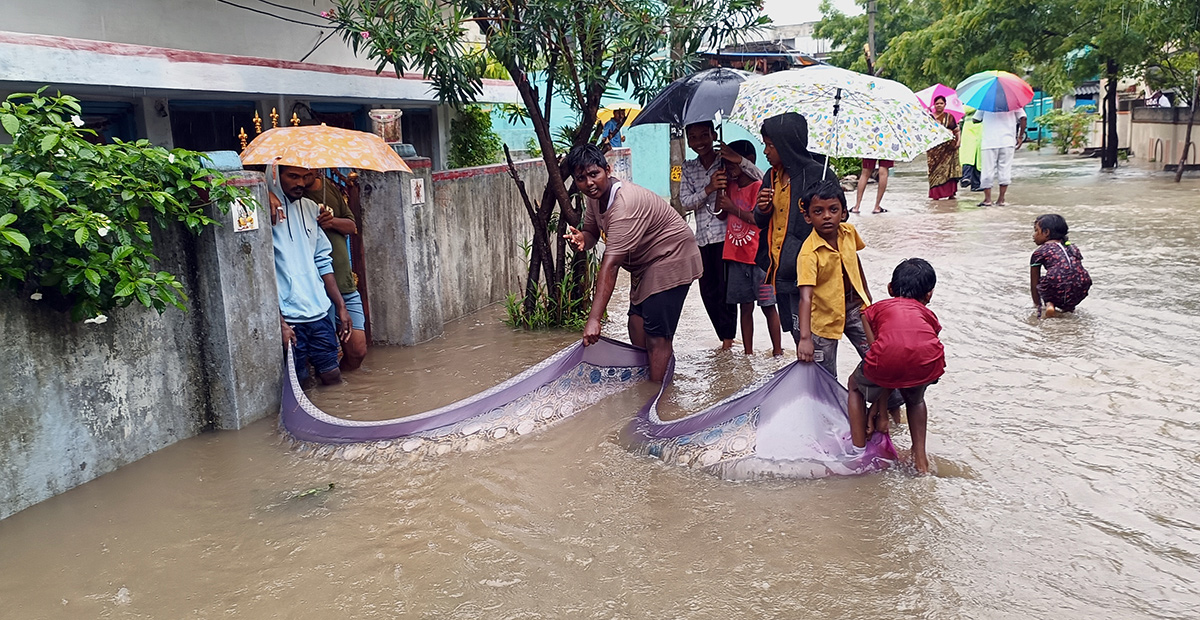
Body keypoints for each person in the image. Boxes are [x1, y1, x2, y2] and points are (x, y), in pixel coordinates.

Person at [562, 144, 702, 382]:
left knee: (657, 337)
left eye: (594, 174)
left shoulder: (624, 206)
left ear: (607, 170)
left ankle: (657, 396)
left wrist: (594, 319)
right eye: (581, 178)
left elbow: (611, 265)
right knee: (636, 328)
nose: (589, 183)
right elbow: (592, 231)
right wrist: (582, 239)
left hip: (671, 257)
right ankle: (655, 378)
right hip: (645, 265)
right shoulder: (595, 199)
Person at [847, 258, 945, 474]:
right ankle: (921, 461)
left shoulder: (872, 311)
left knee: (854, 386)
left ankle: (857, 451)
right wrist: (880, 411)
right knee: (916, 399)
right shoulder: (929, 315)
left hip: (887, 362)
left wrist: (877, 409)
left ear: (890, 288)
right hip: (929, 363)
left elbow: (880, 358)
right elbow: (919, 348)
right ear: (929, 294)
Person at [680, 120, 763, 349]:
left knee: (727, 292)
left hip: (728, 239)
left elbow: (760, 178)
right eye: (693, 137)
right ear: (688, 140)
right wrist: (709, 187)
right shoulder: (688, 168)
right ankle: (725, 337)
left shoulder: (725, 161)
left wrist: (738, 160)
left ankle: (728, 341)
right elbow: (685, 202)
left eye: (704, 135)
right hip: (702, 240)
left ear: (713, 134)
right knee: (707, 291)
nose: (699, 142)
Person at [754, 112, 834, 346]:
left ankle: (822, 382)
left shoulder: (819, 174)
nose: (766, 152)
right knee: (796, 334)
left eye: (770, 145)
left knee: (815, 337)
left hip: (809, 271)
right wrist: (762, 208)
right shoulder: (771, 176)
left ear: (786, 145)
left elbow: (838, 222)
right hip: (780, 269)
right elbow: (760, 221)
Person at [270, 165, 352, 388]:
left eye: (306, 177)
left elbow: (323, 261)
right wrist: (279, 322)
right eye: (293, 176)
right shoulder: (264, 210)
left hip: (319, 312)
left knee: (332, 376)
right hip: (290, 317)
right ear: (276, 175)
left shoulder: (312, 209)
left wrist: (340, 306)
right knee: (300, 383)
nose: (300, 183)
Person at [718, 140, 783, 356]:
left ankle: (777, 352)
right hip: (736, 259)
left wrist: (733, 208)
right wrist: (720, 188)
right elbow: (719, 212)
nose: (728, 168)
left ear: (747, 161)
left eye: (731, 163)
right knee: (744, 307)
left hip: (759, 260)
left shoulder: (760, 187)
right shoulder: (730, 186)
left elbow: (757, 219)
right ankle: (748, 353)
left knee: (767, 306)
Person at [306, 174, 368, 371]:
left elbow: (351, 226)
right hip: (315, 289)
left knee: (357, 351)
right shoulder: (288, 197)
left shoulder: (328, 187)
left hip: (344, 283)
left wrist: (331, 222)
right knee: (325, 356)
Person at [1030, 214, 1091, 317]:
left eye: (1036, 231)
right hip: (1082, 285)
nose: (1033, 235)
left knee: (1046, 282)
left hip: (1056, 285)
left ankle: (1050, 305)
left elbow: (1034, 282)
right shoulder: (1072, 247)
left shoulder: (1039, 252)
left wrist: (1037, 306)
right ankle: (1069, 309)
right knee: (1071, 279)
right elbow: (1075, 268)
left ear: (1046, 232)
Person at [975, 106, 1027, 206]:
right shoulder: (1013, 103)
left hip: (989, 142)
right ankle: (1001, 199)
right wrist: (1020, 136)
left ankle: (987, 199)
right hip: (1007, 142)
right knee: (1005, 170)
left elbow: (975, 119)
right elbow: (1023, 118)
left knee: (987, 170)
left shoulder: (985, 104)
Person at [926, 95, 961, 199]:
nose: (939, 105)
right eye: (937, 103)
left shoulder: (949, 117)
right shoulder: (929, 118)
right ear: (934, 105)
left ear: (945, 104)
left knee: (949, 170)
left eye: (941, 103)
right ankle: (935, 194)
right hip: (934, 150)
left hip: (949, 149)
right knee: (934, 171)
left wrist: (959, 141)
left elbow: (956, 130)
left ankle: (950, 193)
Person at [958, 106, 984, 192]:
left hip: (981, 130)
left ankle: (976, 184)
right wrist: (978, 105)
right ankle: (965, 177)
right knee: (968, 156)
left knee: (979, 159)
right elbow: (963, 110)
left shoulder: (987, 103)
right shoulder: (969, 103)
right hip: (969, 131)